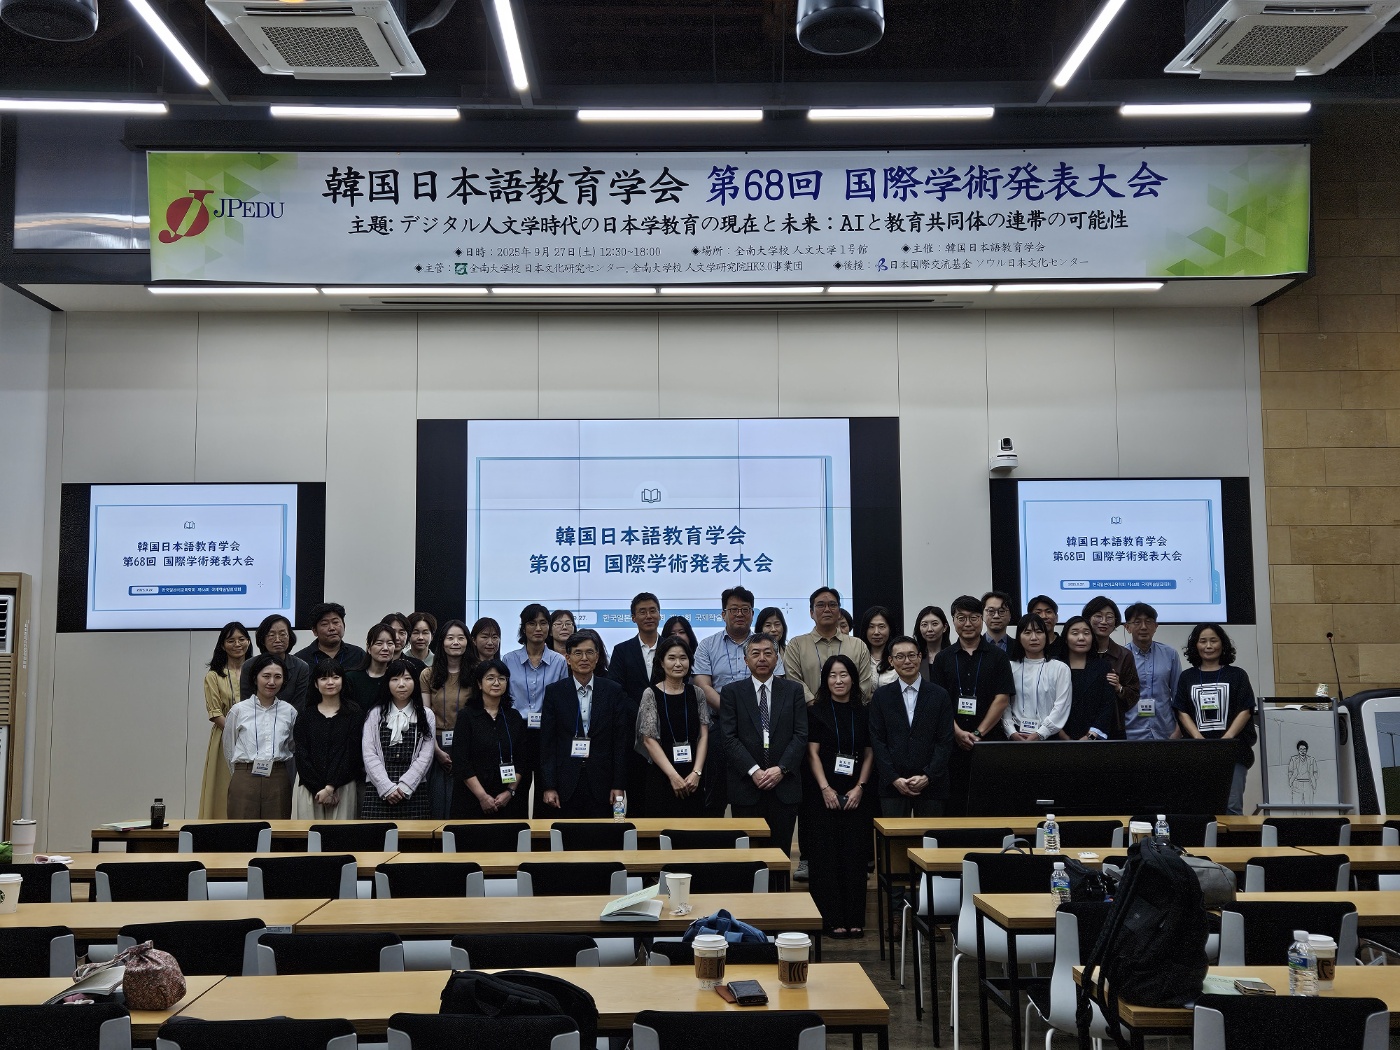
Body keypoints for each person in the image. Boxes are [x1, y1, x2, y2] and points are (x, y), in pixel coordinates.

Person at [804, 654, 875, 938]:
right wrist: (825, 788)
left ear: (853, 679)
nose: (838, 680)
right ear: (825, 680)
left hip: (857, 792)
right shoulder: (816, 711)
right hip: (823, 793)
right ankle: (830, 919)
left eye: (844, 674)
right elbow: (811, 753)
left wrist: (860, 787)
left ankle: (854, 918)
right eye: (832, 675)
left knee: (854, 857)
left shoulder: (864, 712)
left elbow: (869, 753)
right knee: (826, 857)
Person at [719, 633, 808, 855]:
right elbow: (729, 738)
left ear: (777, 659)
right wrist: (754, 770)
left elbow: (800, 735)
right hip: (746, 786)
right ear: (745, 660)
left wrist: (781, 769)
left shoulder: (793, 691)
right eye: (755, 653)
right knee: (748, 854)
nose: (762, 658)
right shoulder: (731, 692)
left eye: (768, 653)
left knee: (780, 852)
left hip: (784, 786)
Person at [927, 595, 1014, 816]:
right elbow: (939, 702)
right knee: (954, 805)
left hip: (989, 742)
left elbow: (1002, 699)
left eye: (974, 618)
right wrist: (957, 732)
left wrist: (977, 733)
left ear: (981, 620)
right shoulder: (943, 658)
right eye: (961, 618)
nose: (967, 624)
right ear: (953, 621)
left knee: (988, 804)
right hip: (951, 744)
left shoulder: (998, 657)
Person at [539, 629, 629, 818]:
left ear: (597, 657)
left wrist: (618, 784)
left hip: (603, 782)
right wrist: (549, 786)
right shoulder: (555, 692)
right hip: (565, 781)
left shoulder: (613, 691)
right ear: (568, 658)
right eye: (578, 653)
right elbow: (547, 743)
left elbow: (620, 741)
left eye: (589, 652)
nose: (584, 658)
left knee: (604, 834)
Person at [1173, 623, 1257, 815]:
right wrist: (1198, 738)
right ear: (1195, 645)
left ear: (1223, 644)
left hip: (1233, 752)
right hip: (1197, 753)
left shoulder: (1237, 675)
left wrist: (1227, 739)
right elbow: (1181, 710)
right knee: (1198, 807)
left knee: (1232, 807)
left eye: (1213, 640)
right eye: (1203, 641)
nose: (1208, 646)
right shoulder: (1187, 677)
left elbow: (1246, 709)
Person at [868, 636, 955, 817]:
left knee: (931, 835)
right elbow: (877, 740)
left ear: (920, 657)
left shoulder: (940, 695)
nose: (907, 661)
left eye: (911, 655)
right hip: (892, 785)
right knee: (894, 835)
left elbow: (945, 741)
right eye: (900, 657)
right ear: (891, 661)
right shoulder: (881, 696)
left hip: (933, 784)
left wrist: (928, 776)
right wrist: (893, 778)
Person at [693, 587, 759, 818]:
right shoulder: (707, 645)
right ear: (723, 614)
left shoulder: (764, 645)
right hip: (719, 724)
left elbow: (775, 681)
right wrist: (734, 713)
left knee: (751, 792)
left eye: (745, 609)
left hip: (758, 727)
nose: (739, 614)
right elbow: (702, 685)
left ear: (752, 614)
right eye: (734, 609)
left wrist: (748, 716)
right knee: (715, 793)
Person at [503, 603, 568, 812]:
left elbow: (562, 701)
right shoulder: (509, 659)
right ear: (523, 628)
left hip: (548, 733)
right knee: (515, 791)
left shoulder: (559, 661)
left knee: (547, 790)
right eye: (532, 623)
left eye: (543, 623)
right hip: (517, 732)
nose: (538, 628)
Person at [636, 636, 709, 819]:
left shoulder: (697, 693)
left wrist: (697, 772)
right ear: (661, 662)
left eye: (683, 658)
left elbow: (703, 735)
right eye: (672, 658)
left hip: (693, 778)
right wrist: (673, 776)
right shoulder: (651, 693)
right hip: (662, 776)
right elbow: (648, 740)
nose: (678, 663)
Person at [450, 658, 528, 819]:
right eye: (490, 678)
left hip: (507, 800)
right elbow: (461, 761)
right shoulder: (467, 716)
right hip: (472, 799)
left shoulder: (514, 717)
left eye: (501, 678)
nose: (496, 683)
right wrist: (482, 797)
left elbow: (523, 759)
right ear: (479, 684)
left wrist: (510, 791)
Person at [608, 592, 663, 816]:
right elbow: (616, 690)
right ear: (633, 617)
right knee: (637, 793)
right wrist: (642, 715)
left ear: (659, 614)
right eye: (642, 612)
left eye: (652, 610)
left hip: (666, 732)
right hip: (631, 734)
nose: (648, 616)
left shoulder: (670, 648)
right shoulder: (622, 650)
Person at [224, 653, 297, 819]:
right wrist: (241, 773)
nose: (272, 682)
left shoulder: (289, 711)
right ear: (255, 678)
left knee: (277, 830)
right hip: (245, 777)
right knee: (242, 830)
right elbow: (229, 748)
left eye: (277, 677)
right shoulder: (238, 710)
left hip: (278, 777)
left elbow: (292, 746)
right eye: (266, 676)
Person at [361, 659, 436, 819]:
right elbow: (369, 754)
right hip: (378, 789)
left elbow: (426, 756)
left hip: (414, 790)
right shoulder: (375, 713)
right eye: (395, 679)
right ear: (387, 683)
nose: (401, 684)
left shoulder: (426, 714)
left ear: (415, 682)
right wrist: (386, 787)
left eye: (407, 678)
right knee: (376, 835)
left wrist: (405, 786)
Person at [291, 661, 365, 819]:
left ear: (343, 680)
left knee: (341, 833)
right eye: (323, 678)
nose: (330, 682)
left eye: (335, 677)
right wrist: (319, 789)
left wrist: (331, 787)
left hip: (343, 785)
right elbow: (301, 754)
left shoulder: (355, 714)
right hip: (309, 787)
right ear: (316, 684)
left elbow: (351, 754)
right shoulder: (305, 716)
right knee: (308, 832)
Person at [421, 620, 477, 819]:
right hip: (436, 745)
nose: (455, 642)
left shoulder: (477, 673)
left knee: (464, 803)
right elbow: (426, 715)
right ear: (442, 642)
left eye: (461, 638)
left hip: (469, 745)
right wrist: (436, 751)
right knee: (437, 802)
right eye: (450, 638)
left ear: (468, 642)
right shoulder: (428, 674)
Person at [784, 587, 874, 702]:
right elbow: (793, 680)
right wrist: (814, 704)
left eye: (832, 605)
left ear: (839, 612)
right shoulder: (796, 645)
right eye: (821, 605)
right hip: (809, 711)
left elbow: (864, 684)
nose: (827, 609)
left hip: (851, 711)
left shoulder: (858, 645)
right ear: (811, 613)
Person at [199, 621, 250, 819]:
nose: (237, 644)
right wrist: (237, 734)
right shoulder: (213, 676)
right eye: (231, 640)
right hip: (224, 739)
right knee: (222, 787)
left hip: (256, 740)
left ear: (248, 642)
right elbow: (215, 713)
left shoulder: (257, 672)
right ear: (222, 645)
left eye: (242, 639)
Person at [1003, 615, 1072, 741]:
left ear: (1046, 636)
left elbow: (1061, 706)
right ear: (1019, 637)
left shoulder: (1060, 668)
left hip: (1049, 736)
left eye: (1039, 632)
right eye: (1027, 632)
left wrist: (1040, 733)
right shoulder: (1010, 667)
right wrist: (1011, 731)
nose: (1034, 637)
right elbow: (1004, 704)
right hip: (1016, 735)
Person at [1123, 602, 1183, 741]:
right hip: (1131, 733)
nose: (1144, 627)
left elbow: (1178, 695)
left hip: (1166, 732)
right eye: (1137, 622)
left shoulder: (1170, 654)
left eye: (1149, 622)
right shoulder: (1122, 656)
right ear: (1127, 627)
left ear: (1156, 626)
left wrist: (1179, 729)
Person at [1082, 595, 1141, 736]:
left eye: (1109, 617)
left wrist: (1119, 688)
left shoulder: (1124, 655)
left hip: (1114, 727)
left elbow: (1134, 694)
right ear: (1088, 619)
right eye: (1098, 616)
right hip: (1081, 726)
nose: (1104, 622)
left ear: (1115, 622)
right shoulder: (1078, 652)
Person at [1058, 616, 1122, 740]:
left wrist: (1090, 737)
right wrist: (1063, 736)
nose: (1081, 638)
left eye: (1086, 633)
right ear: (1065, 638)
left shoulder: (1103, 667)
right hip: (1058, 738)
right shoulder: (1055, 665)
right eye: (1075, 633)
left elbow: (1107, 707)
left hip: (1094, 740)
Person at [241, 615, 310, 710]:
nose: (277, 640)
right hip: (254, 717)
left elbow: (298, 706)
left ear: (290, 637)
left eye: (283, 634)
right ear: (263, 639)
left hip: (290, 717)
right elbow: (246, 704)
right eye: (271, 635)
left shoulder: (301, 667)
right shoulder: (249, 665)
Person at [294, 602, 367, 672]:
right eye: (324, 624)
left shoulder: (358, 654)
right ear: (315, 631)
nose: (332, 628)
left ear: (344, 626)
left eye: (335, 622)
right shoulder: (300, 659)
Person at [343, 624, 398, 711]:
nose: (385, 648)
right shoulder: (351, 678)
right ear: (368, 648)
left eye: (390, 643)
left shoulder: (397, 678)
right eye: (379, 643)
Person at [857, 605, 899, 688]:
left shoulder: (899, 656)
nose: (876, 632)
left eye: (881, 627)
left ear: (890, 629)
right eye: (871, 627)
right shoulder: (858, 655)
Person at [914, 605, 952, 683]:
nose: (929, 629)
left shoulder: (952, 655)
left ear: (945, 627)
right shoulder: (914, 657)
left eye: (934, 624)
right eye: (924, 625)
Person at [1028, 595, 1067, 663]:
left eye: (1048, 612)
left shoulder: (1066, 645)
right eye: (1038, 613)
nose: (1044, 616)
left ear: (1056, 618)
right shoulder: (1025, 645)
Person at [1288, 740, 1318, 805]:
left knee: (1309, 804)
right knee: (1296, 805)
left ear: (1306, 750)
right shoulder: (1293, 759)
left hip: (1308, 784)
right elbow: (1290, 772)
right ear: (1298, 750)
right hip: (1297, 784)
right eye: (1301, 749)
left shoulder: (1312, 760)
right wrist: (1292, 783)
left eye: (1304, 749)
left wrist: (1313, 783)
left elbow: (1315, 772)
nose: (1302, 751)